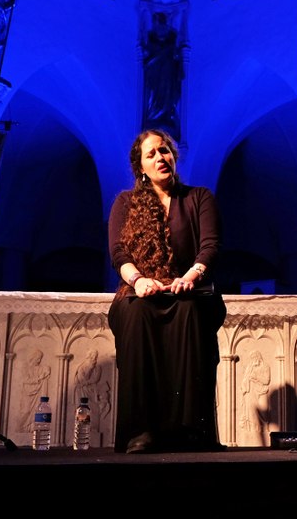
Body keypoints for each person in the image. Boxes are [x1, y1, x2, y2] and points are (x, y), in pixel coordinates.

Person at [106, 129, 226, 454]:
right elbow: (119, 252)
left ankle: (189, 430)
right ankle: (141, 431)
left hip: (188, 291)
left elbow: (210, 247)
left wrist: (192, 275)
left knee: (189, 309)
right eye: (152, 154)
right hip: (141, 292)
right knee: (135, 312)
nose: (161, 157)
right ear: (140, 167)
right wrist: (138, 280)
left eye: (165, 151)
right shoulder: (125, 202)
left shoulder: (198, 197)